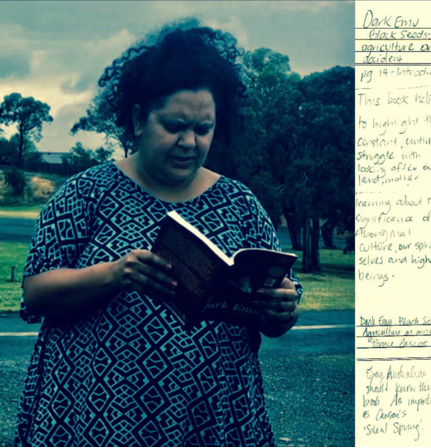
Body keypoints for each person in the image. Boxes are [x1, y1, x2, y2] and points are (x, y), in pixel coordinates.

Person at [16, 22, 302, 447]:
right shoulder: (86, 193)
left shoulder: (241, 204)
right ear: (137, 119)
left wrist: (282, 311)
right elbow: (35, 293)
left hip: (213, 420)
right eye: (174, 125)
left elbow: (272, 316)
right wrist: (114, 274)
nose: (189, 141)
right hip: (98, 418)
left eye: (203, 128)